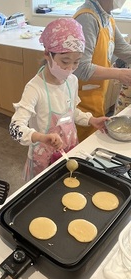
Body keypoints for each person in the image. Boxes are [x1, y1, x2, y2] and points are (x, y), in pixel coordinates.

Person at [9, 18, 108, 182]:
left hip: (69, 149)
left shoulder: (72, 81)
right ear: (48, 54)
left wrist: (91, 120)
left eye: (76, 62)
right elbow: (15, 128)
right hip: (43, 158)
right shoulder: (35, 88)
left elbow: (71, 112)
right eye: (65, 62)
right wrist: (41, 137)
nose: (70, 69)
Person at [73, 0, 131, 141]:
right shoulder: (86, 18)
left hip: (96, 94)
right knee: (81, 143)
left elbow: (123, 49)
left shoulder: (106, 16)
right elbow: (81, 68)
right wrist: (119, 74)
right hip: (81, 100)